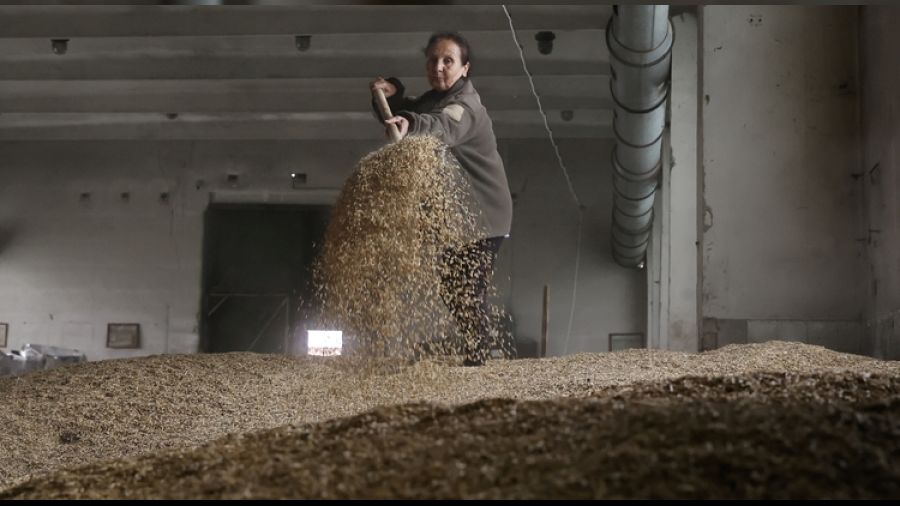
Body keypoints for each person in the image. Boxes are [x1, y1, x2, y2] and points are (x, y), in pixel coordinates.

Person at [369, 31, 513, 366]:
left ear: (465, 68)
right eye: (433, 59)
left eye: (448, 60)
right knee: (451, 287)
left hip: (485, 214)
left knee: (468, 286)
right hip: (456, 216)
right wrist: (393, 90)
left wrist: (410, 122)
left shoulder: (467, 106)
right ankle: (474, 350)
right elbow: (403, 115)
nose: (439, 66)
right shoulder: (433, 99)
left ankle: (478, 360)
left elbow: (441, 126)